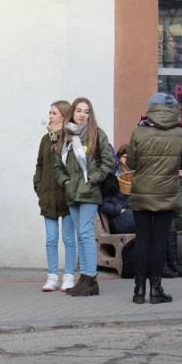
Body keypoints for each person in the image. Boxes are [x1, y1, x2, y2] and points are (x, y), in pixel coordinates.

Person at [126, 92, 182, 305]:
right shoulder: (180, 133)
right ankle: (156, 289)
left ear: (151, 108)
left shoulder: (139, 131)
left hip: (142, 193)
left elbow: (131, 164)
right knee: (159, 240)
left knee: (142, 239)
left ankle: (138, 290)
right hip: (167, 193)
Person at [54, 97, 115, 297]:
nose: (82, 115)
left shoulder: (97, 134)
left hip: (90, 192)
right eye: (79, 110)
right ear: (72, 112)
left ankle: (91, 279)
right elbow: (58, 166)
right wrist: (65, 182)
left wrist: (93, 179)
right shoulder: (66, 137)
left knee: (86, 234)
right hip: (72, 193)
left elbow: (108, 163)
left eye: (86, 111)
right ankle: (84, 278)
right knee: (80, 235)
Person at [33, 100, 77, 292]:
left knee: (68, 238)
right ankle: (52, 277)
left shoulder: (71, 138)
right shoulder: (46, 139)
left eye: (54, 113)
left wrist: (71, 188)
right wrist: (39, 185)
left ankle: (69, 276)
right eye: (50, 113)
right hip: (48, 197)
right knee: (51, 239)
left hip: (67, 197)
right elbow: (40, 165)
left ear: (65, 116)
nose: (50, 116)